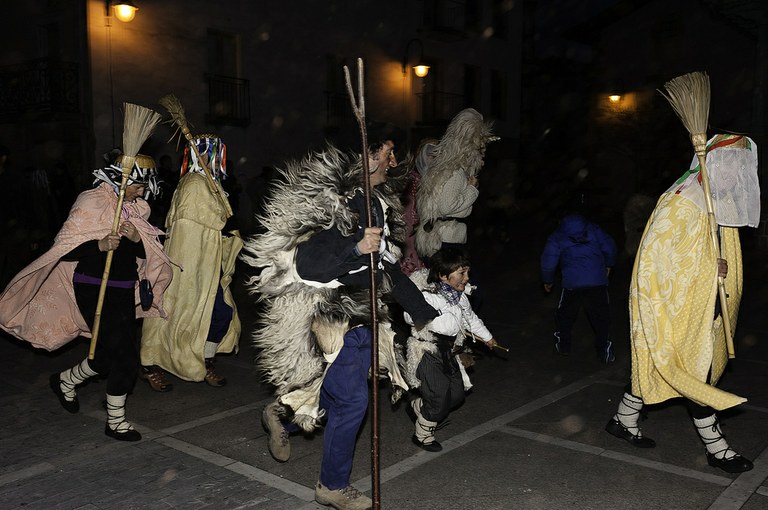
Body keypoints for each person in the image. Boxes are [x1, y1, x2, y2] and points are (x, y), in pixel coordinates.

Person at [241, 134, 438, 510]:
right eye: (388, 151)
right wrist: (354, 248)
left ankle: (285, 415)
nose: (393, 161)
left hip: (366, 316)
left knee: (335, 393)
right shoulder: (336, 201)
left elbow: (385, 266)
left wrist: (423, 311)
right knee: (351, 402)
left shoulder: (377, 203)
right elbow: (309, 265)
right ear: (367, 153)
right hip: (334, 317)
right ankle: (331, 485)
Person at [605, 134, 758, 474]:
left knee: (664, 366)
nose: (735, 172)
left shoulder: (713, 199)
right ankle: (718, 449)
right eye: (729, 163)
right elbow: (654, 260)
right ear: (713, 162)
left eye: (740, 165)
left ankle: (623, 419)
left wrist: (715, 263)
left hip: (699, 303)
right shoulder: (683, 200)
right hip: (675, 305)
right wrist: (708, 267)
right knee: (692, 375)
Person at [0, 154, 173, 441]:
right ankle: (115, 422)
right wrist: (99, 244)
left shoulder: (137, 209)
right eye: (138, 185)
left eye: (145, 187)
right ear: (123, 178)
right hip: (93, 285)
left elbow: (146, 253)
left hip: (123, 288)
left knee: (106, 354)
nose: (142, 192)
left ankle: (65, 381)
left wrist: (135, 241)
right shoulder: (91, 200)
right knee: (126, 356)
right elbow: (65, 247)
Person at [140, 134, 242, 392]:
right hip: (191, 263)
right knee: (176, 314)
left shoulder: (208, 182)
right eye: (205, 153)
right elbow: (208, 222)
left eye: (212, 153)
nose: (209, 158)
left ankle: (205, 360)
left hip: (206, 261)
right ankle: (152, 364)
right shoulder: (194, 183)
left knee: (218, 313)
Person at [403, 247, 498, 451]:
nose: (466, 278)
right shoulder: (427, 296)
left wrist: (488, 338)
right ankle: (422, 435)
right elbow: (409, 316)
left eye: (467, 272)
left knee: (456, 396)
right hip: (427, 351)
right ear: (443, 276)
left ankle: (419, 406)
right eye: (461, 273)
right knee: (439, 399)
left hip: (449, 352)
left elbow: (470, 319)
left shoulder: (460, 297)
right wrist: (429, 309)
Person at [415, 108, 498, 260]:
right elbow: (447, 206)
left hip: (440, 239)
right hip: (447, 240)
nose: (484, 153)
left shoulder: (448, 167)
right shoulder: (455, 171)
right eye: (481, 148)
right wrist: (472, 189)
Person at [540, 209, 617, 362]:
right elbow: (610, 248)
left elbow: (548, 261)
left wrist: (547, 280)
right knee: (601, 317)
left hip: (572, 284)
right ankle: (604, 351)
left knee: (565, 315)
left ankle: (563, 346)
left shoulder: (557, 236)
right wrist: (609, 264)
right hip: (597, 282)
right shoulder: (594, 229)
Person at [399, 138, 437, 276]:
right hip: (408, 232)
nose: (433, 160)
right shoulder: (410, 178)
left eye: (437, 157)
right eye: (430, 155)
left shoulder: (435, 181)